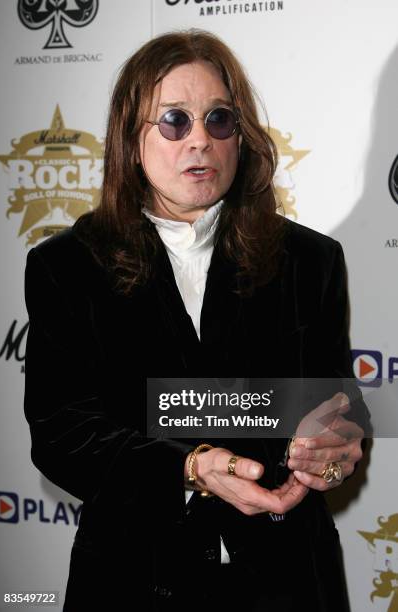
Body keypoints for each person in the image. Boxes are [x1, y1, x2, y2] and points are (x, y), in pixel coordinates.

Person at [24, 29, 370, 611]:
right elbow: (62, 434)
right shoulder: (67, 266)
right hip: (134, 580)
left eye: (219, 120)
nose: (201, 141)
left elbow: (336, 404)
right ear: (130, 139)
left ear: (243, 137)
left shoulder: (312, 261)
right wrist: (189, 468)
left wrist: (335, 450)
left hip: (288, 582)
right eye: (175, 121)